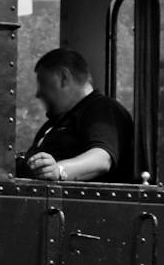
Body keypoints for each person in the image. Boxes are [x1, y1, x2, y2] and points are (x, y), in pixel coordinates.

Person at [23, 48, 134, 182]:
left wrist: (59, 170)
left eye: (42, 82)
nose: (38, 93)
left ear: (64, 78)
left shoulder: (103, 110)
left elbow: (101, 159)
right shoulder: (54, 122)